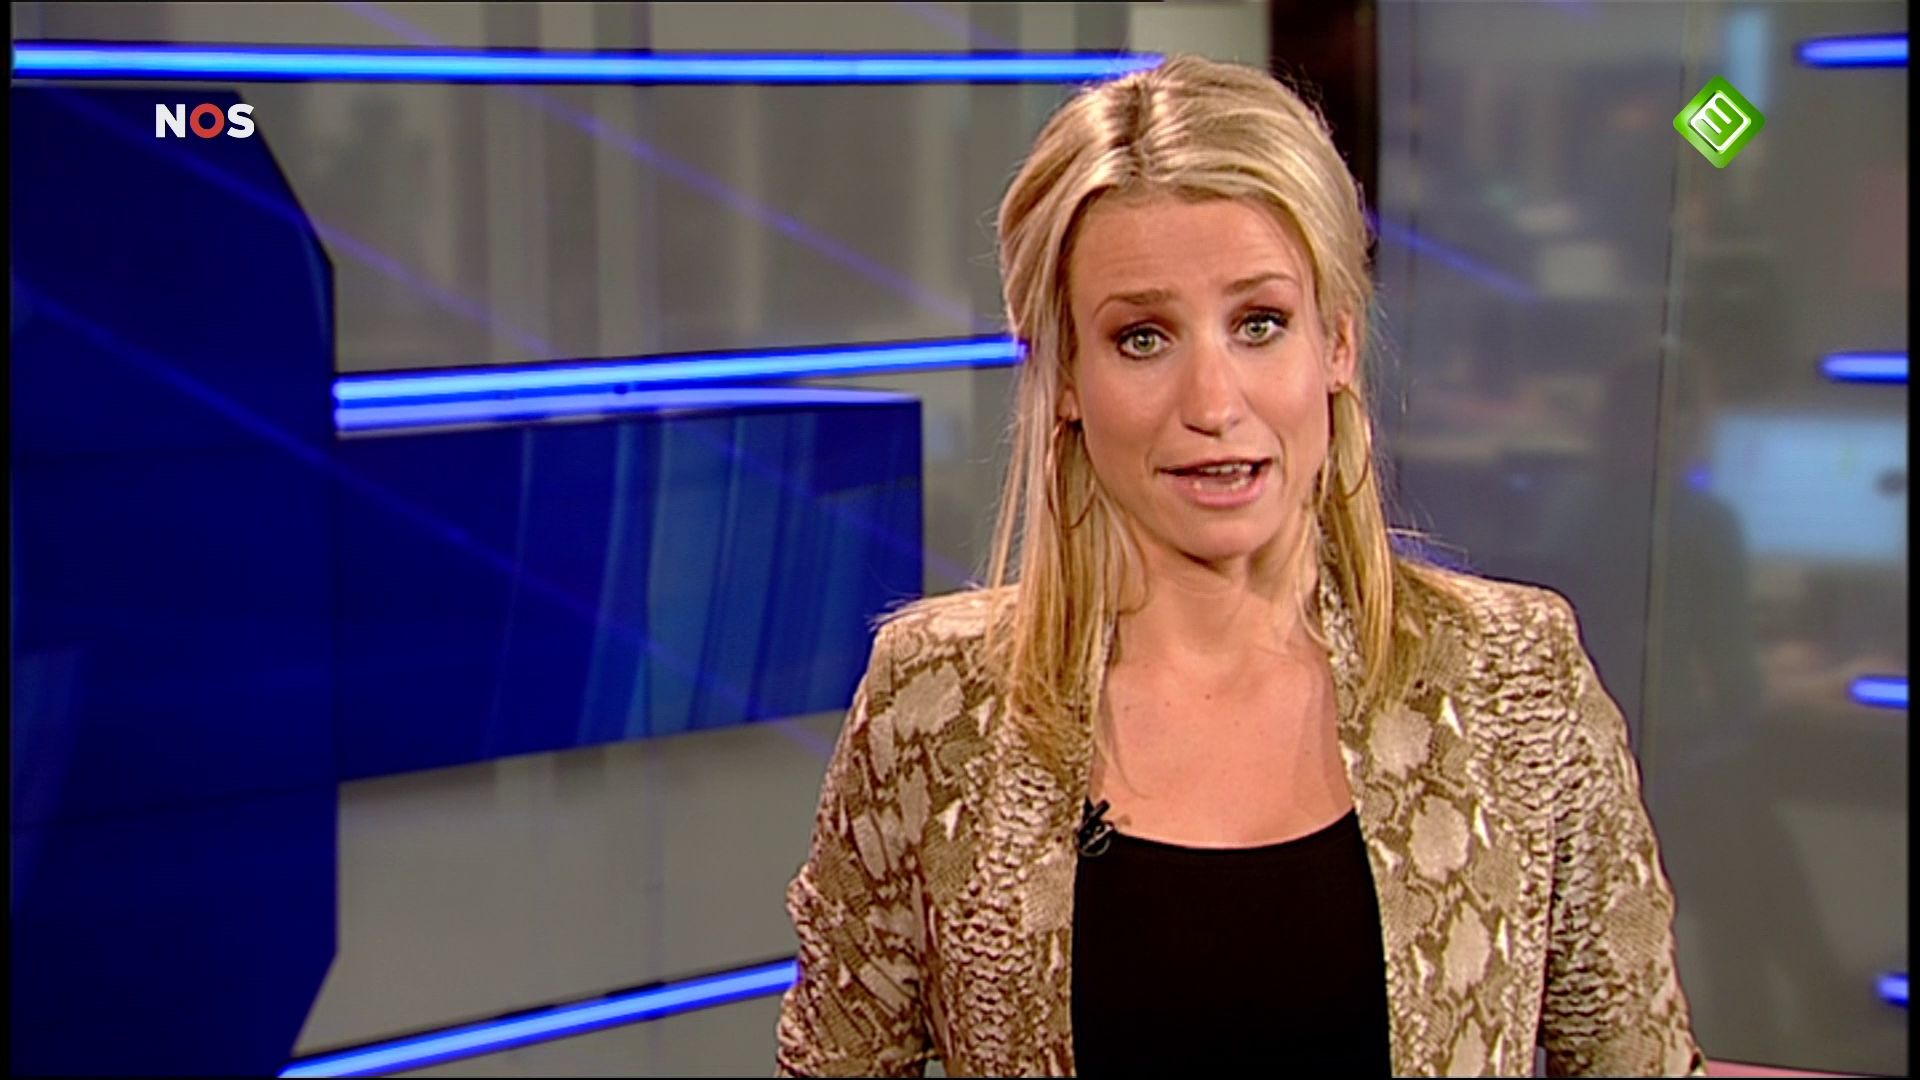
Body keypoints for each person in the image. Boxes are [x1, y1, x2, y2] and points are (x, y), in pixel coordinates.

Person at [774, 54, 1703, 1077]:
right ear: (1064, 371)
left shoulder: (1513, 680)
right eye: (1142, 338)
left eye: (1260, 324)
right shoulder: (936, 705)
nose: (1214, 403)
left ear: (1337, 343)